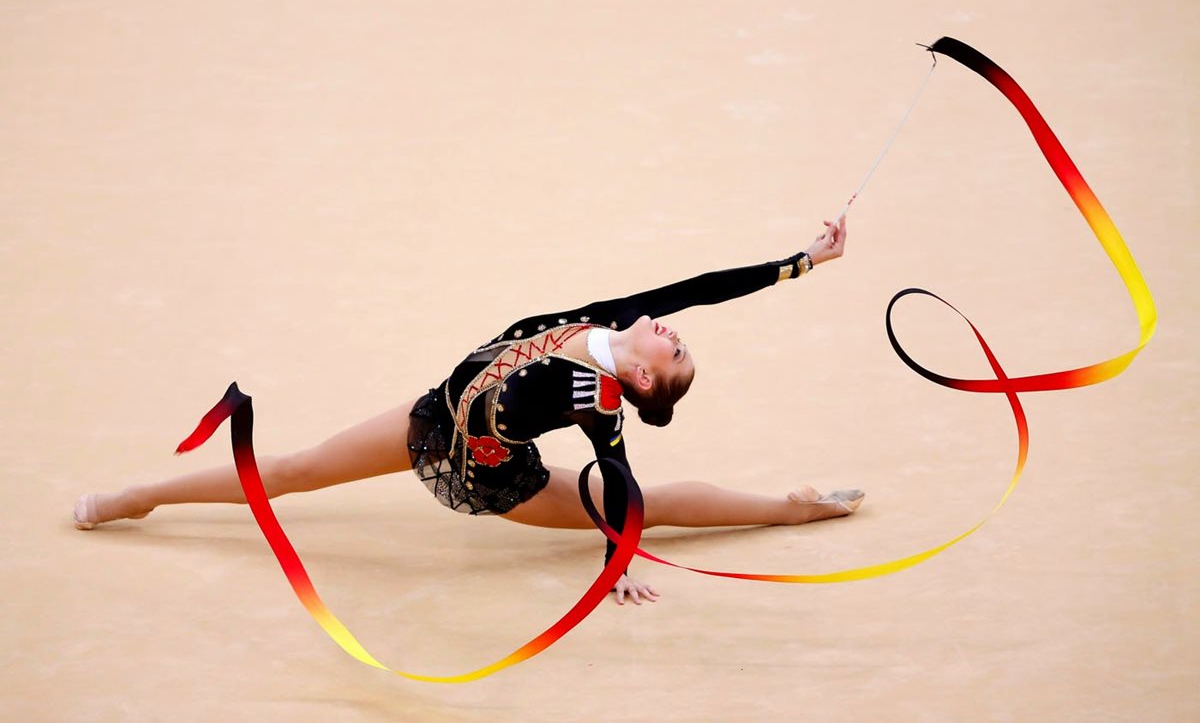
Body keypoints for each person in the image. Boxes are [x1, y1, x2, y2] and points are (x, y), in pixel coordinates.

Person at [73, 216, 860, 605]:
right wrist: (803, 261)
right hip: (429, 420)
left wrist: (616, 564)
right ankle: (140, 496)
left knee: (642, 511)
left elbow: (615, 468)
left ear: (650, 382)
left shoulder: (600, 396)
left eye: (678, 354)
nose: (676, 332)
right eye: (681, 341)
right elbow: (703, 285)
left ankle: (791, 510)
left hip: (487, 477)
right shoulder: (620, 316)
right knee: (294, 468)